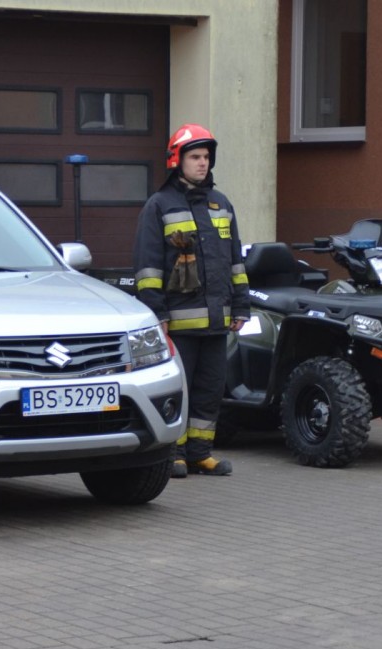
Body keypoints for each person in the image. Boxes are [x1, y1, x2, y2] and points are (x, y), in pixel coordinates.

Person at [133, 123, 250, 478]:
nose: (202, 163)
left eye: (206, 157)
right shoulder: (158, 206)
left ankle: (201, 453)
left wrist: (241, 306)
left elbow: (235, 262)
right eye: (195, 157)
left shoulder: (221, 204)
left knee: (210, 390)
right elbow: (148, 268)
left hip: (217, 322)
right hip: (178, 324)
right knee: (178, 390)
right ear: (177, 160)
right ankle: (175, 453)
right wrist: (157, 314)